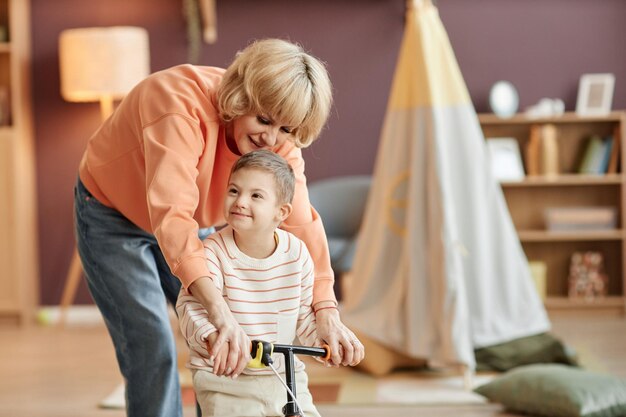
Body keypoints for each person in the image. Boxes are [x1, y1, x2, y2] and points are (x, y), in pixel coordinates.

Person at [73, 38, 364, 417]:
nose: (270, 139)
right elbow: (173, 214)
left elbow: (302, 222)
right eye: (263, 120)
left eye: (286, 129)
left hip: (195, 226)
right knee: (152, 344)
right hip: (113, 215)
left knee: (224, 339)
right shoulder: (177, 104)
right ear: (240, 98)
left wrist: (327, 310)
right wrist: (219, 311)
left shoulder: (278, 144)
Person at [178, 149, 343, 417]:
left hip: (283, 374)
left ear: (281, 212)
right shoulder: (212, 251)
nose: (240, 201)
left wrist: (326, 346)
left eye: (255, 196)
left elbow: (302, 313)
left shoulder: (297, 253)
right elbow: (191, 308)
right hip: (226, 381)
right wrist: (211, 337)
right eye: (234, 190)